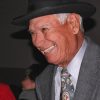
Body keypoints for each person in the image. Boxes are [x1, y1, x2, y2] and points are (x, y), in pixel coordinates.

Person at [12, 0, 100, 100]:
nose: (37, 42)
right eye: (32, 33)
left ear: (73, 24)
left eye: (44, 29)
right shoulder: (43, 81)